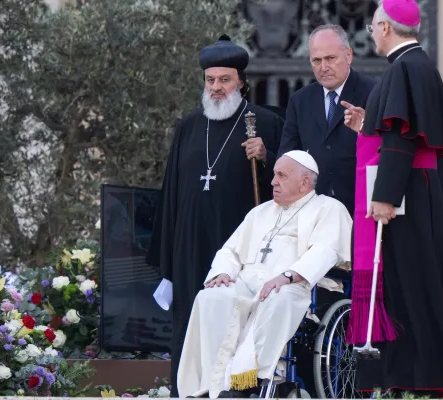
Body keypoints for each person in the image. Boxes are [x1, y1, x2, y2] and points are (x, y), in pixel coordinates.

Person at [342, 0, 443, 396]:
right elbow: (398, 135)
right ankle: (418, 376)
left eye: (373, 25)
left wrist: (385, 196)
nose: (371, 31)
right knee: (420, 285)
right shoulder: (417, 65)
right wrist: (364, 128)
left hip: (405, 197)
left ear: (387, 28)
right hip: (418, 191)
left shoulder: (404, 67)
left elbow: (402, 136)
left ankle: (418, 377)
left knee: (411, 288)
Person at [146, 35, 284, 397]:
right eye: (211, 80)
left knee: (234, 320)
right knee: (189, 321)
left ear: (241, 81)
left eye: (225, 80)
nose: (217, 87)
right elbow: (172, 189)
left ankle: (233, 393)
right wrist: (167, 255)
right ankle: (187, 391)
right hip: (189, 244)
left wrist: (267, 156)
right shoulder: (189, 126)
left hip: (238, 244)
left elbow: (290, 186)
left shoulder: (264, 123)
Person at [177, 151, 352, 398]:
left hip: (297, 284)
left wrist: (289, 275)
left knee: (278, 298)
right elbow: (230, 250)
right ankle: (209, 385)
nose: (273, 182)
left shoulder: (329, 208)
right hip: (248, 280)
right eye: (274, 175)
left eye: (281, 175)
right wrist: (223, 273)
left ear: (304, 182)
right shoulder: (260, 212)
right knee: (212, 298)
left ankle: (245, 384)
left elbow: (326, 251)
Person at [278, 24, 375, 214]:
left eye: (330, 58)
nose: (323, 67)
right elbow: (289, 154)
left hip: (359, 206)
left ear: (348, 55)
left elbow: (386, 149)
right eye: (316, 60)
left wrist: (365, 126)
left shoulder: (373, 93)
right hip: (312, 209)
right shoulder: (300, 100)